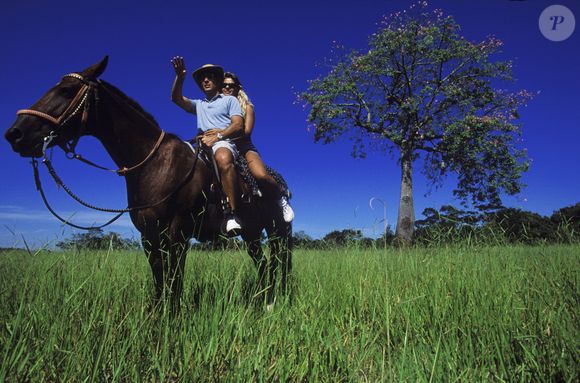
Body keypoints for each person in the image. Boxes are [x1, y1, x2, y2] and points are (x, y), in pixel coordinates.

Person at [170, 56, 243, 232]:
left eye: (210, 76)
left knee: (223, 158)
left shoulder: (229, 100)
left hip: (222, 142)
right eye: (202, 78)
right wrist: (180, 76)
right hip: (200, 144)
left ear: (218, 80)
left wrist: (217, 136)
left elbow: (238, 125)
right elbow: (176, 99)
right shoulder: (199, 104)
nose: (206, 80)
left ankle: (231, 215)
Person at [221, 72, 294, 222]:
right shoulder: (216, 105)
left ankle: (280, 198)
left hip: (244, 148)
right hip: (222, 147)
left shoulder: (247, 107)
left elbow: (246, 131)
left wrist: (220, 134)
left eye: (231, 85)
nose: (227, 88)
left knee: (260, 175)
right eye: (224, 85)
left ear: (237, 88)